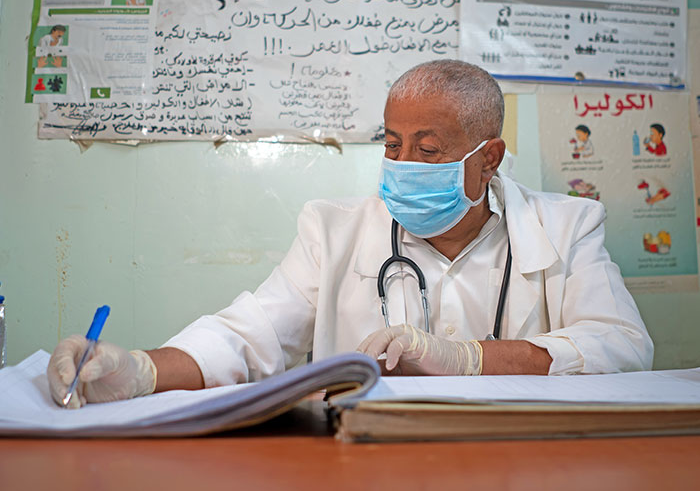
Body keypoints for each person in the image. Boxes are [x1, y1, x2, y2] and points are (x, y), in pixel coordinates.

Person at [47, 60, 653, 408]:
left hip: (521, 465)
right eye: (393, 144)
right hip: (364, 464)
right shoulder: (333, 228)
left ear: (489, 156)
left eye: (428, 148)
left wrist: (470, 361)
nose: (403, 162)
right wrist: (140, 371)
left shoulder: (568, 225)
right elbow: (248, 337)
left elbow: (624, 345)